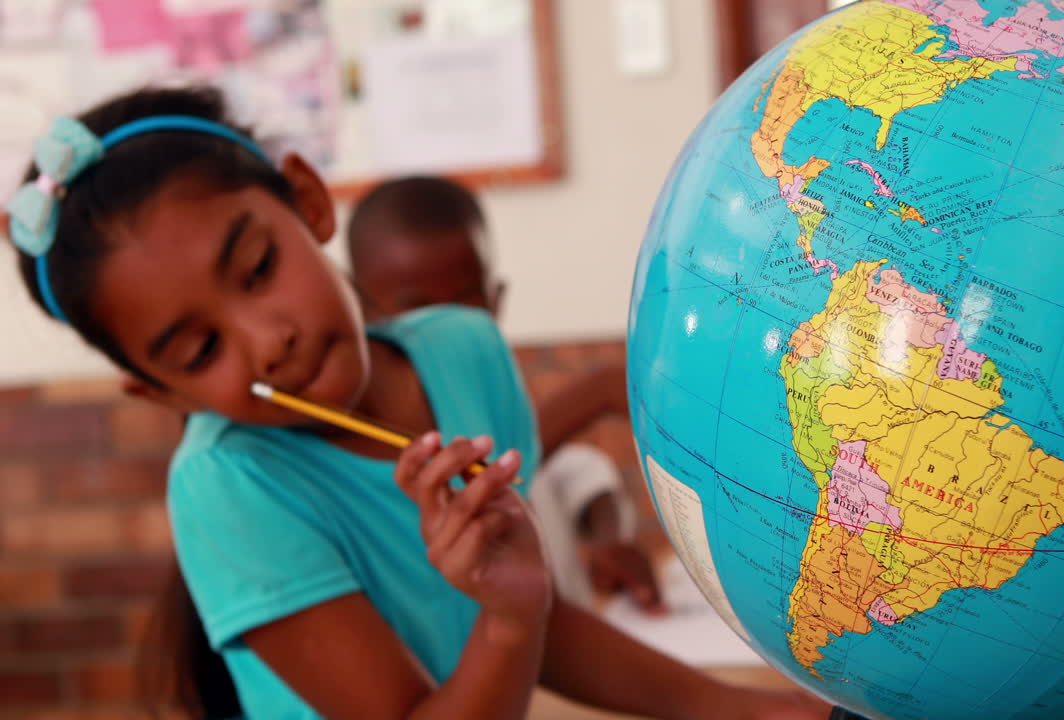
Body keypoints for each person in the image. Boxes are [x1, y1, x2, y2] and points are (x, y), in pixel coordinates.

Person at [4, 86, 828, 719]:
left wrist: (741, 706)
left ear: (309, 202)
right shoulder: (227, 490)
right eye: (200, 351)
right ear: (159, 391)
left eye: (257, 269)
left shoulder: (465, 350)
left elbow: (535, 612)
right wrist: (506, 620)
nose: (267, 340)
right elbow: (511, 620)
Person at [346, 176, 662, 614]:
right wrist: (592, 394)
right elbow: (487, 477)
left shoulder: (497, 398)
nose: (448, 331)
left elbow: (574, 471)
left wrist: (608, 539)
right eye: (417, 312)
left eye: (467, 307)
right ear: (358, 311)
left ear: (496, 302)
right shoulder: (385, 456)